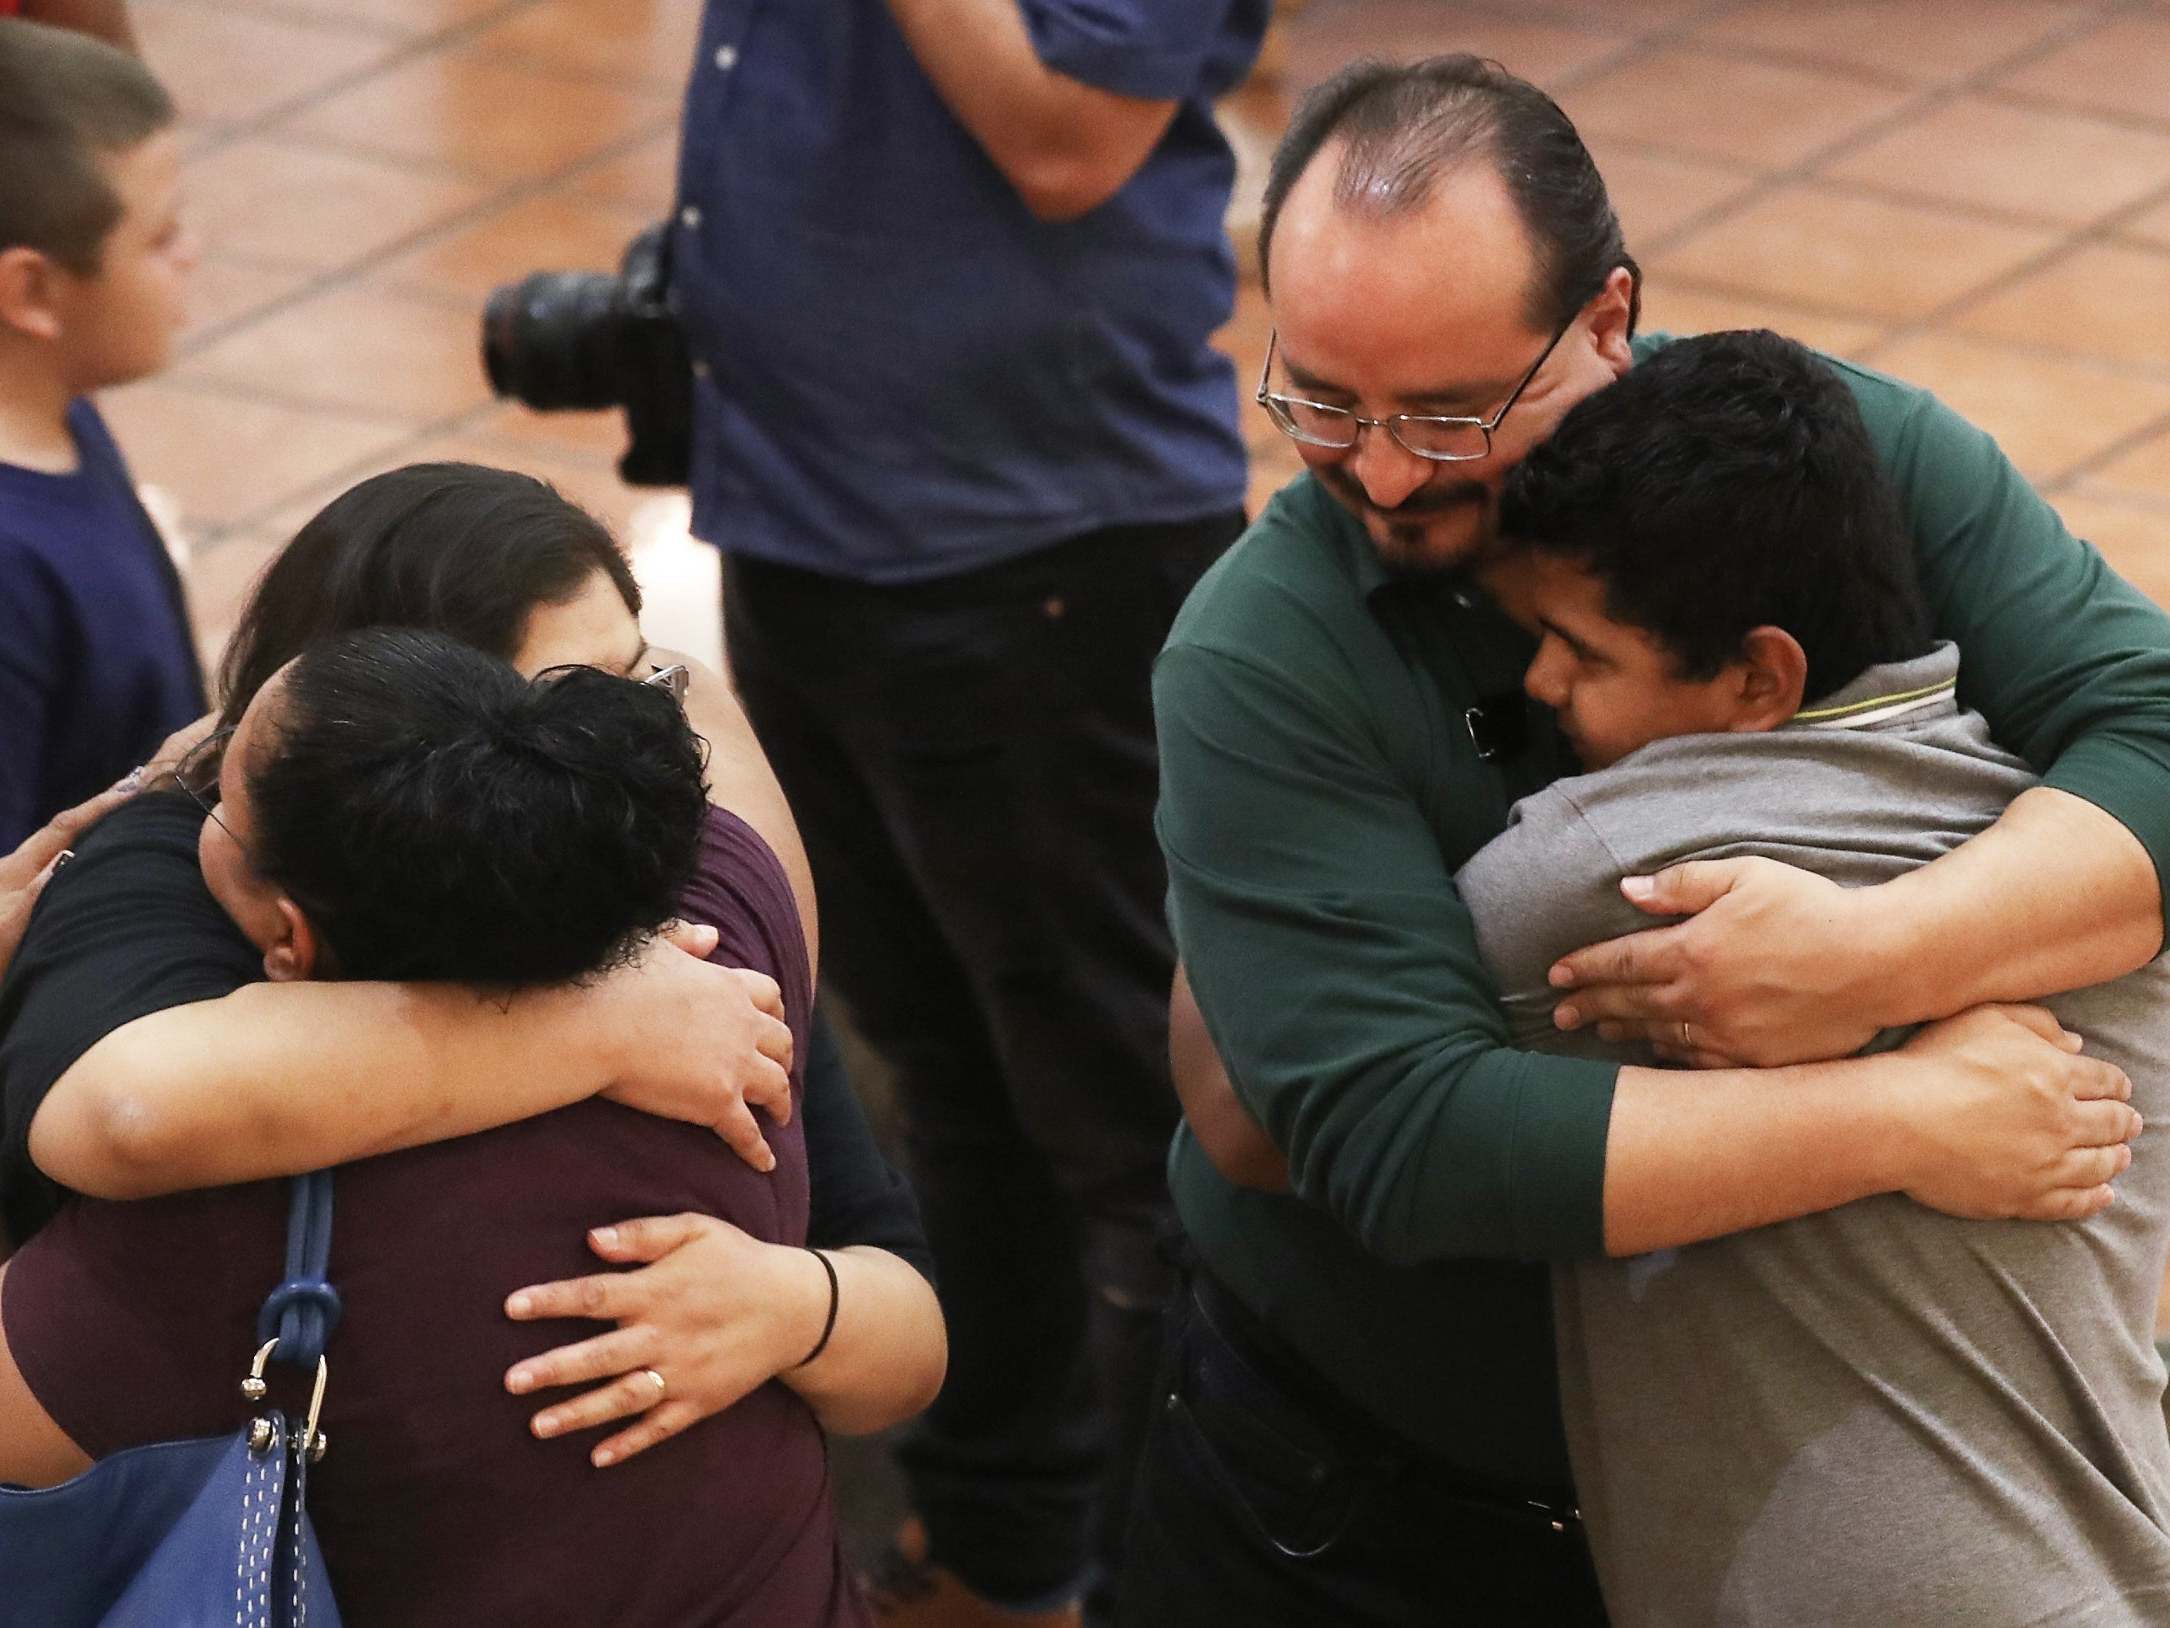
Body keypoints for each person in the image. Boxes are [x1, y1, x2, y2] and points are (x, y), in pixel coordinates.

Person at [1131, 55, 2169, 1624]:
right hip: (1384, 1514)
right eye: (1319, 402)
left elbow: (2149, 731)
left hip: (1798, 1477)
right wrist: (1897, 1111)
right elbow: (1387, 1135)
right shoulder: (1257, 655)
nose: (1388, 476)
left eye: (1447, 410)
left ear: (1607, 322)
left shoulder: (1832, 457)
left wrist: (1865, 956)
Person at [674, 3, 1267, 1620]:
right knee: (944, 1075)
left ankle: (1177, 1580)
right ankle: (1007, 1544)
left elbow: (1068, 131)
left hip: (1032, 562)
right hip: (805, 521)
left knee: (1143, 1133)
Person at [0, 464, 945, 1476]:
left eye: (643, 685)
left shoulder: (674, 897)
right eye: (566, 714)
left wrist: (800, 1307)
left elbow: (909, 1335)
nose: (644, 744)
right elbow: (125, 1114)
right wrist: (604, 1029)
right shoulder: (175, 875)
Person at [1446, 329, 2170, 1626]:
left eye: (1581, 652)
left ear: (1755, 676)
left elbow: (1313, 1096)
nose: (1537, 683)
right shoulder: (2084, 885)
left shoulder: (1607, 877)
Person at [0, 626, 882, 1624]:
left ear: (287, 939)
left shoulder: (215, 1232)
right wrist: (594, 1019)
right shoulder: (729, 935)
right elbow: (690, 686)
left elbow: (120, 1115)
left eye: (217, 791)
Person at [0, 18, 200, 850]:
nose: (192, 254)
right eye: (159, 236)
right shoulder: (9, 574)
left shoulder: (61, 408)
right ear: (33, 291)